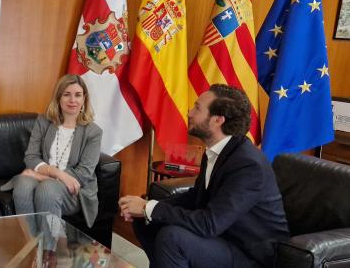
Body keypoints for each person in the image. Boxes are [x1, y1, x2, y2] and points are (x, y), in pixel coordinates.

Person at [118, 84, 289, 268]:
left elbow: (209, 223)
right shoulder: (218, 151)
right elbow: (196, 197)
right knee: (145, 221)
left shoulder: (248, 165)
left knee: (172, 238)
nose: (190, 112)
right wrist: (145, 207)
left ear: (217, 120)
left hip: (251, 255)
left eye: (198, 107)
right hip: (224, 237)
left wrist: (149, 208)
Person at [7, 74, 103, 240]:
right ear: (58, 98)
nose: (72, 100)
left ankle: (49, 253)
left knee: (47, 189)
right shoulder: (43, 122)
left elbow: (84, 174)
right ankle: (29, 248)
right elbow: (31, 157)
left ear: (84, 99)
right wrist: (56, 173)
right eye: (66, 94)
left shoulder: (93, 132)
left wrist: (38, 175)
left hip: (73, 190)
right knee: (22, 184)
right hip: (51, 178)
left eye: (78, 95)